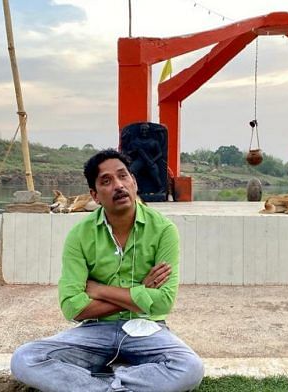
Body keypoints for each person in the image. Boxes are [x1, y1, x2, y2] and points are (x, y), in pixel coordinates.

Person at [10, 149, 204, 392]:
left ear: (134, 182)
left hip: (146, 329)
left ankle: (99, 384)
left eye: (123, 177)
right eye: (106, 181)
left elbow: (163, 303)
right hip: (94, 331)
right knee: (25, 359)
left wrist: (99, 290)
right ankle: (117, 385)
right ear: (95, 195)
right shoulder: (80, 235)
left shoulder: (163, 230)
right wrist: (141, 292)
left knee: (189, 368)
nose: (118, 185)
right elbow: (72, 307)